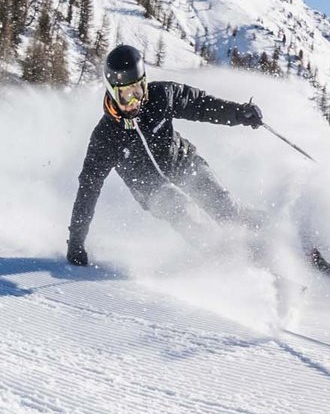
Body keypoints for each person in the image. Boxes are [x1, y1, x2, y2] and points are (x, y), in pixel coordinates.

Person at [67, 44, 265, 267]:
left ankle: (272, 239)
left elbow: (200, 105)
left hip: (183, 162)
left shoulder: (161, 96)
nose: (133, 102)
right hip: (150, 188)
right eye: (125, 95)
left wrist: (238, 113)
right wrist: (76, 242)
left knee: (225, 207)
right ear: (113, 92)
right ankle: (231, 262)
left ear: (144, 84)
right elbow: (89, 187)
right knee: (186, 214)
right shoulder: (105, 137)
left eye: (137, 91)